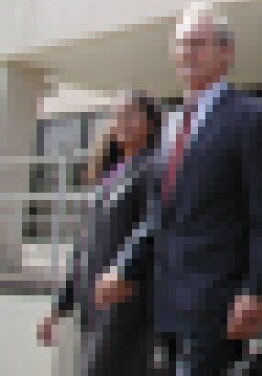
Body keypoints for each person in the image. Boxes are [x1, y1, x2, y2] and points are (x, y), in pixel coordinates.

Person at [94, 3, 262, 375]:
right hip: (166, 302)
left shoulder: (253, 119)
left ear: (225, 52)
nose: (187, 53)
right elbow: (157, 215)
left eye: (198, 43)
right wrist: (122, 267)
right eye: (181, 44)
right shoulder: (169, 125)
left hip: (219, 304)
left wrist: (257, 291)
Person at [37, 91, 160, 376]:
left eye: (131, 114)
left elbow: (153, 230)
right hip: (92, 307)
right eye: (117, 115)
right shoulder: (109, 177)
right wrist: (58, 307)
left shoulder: (154, 169)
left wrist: (123, 273)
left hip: (126, 305)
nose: (122, 121)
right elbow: (84, 246)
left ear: (151, 123)